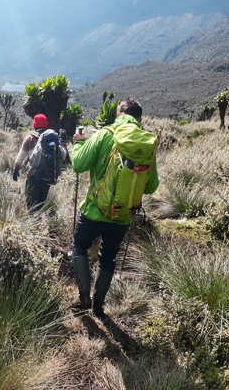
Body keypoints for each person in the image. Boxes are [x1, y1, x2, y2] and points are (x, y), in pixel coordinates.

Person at [70, 98, 159, 318]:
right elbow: (151, 187)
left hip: (94, 210)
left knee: (79, 246)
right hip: (123, 215)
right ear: (139, 119)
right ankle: (98, 307)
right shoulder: (147, 143)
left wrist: (79, 142)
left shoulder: (105, 134)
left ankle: (83, 299)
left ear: (119, 115)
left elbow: (78, 164)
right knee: (108, 256)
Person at [12, 114, 68, 211]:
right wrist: (63, 143)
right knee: (40, 206)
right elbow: (62, 155)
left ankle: (34, 225)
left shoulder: (29, 138)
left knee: (31, 208)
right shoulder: (53, 139)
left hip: (33, 178)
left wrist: (16, 170)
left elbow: (20, 158)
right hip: (48, 179)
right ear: (46, 124)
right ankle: (39, 222)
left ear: (34, 125)